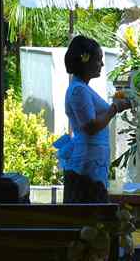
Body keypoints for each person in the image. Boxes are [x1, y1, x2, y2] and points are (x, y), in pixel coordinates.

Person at [55, 35, 129, 203]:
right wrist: (115, 108)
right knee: (89, 214)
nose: (102, 64)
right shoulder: (78, 91)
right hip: (87, 165)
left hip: (93, 160)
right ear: (85, 61)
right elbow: (90, 126)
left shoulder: (83, 88)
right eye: (98, 60)